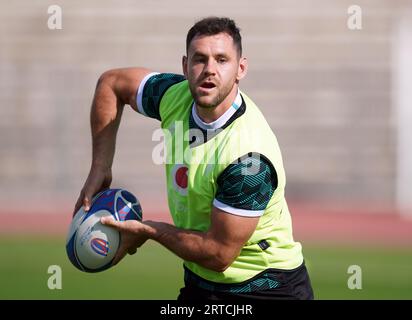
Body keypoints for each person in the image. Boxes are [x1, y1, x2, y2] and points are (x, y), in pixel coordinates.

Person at [73, 16, 314, 300]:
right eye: (200, 59)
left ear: (241, 69)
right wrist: (100, 168)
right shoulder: (174, 96)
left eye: (222, 60)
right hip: (200, 284)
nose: (209, 70)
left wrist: (150, 230)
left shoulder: (250, 159)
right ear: (185, 66)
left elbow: (217, 254)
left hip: (266, 289)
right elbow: (111, 84)